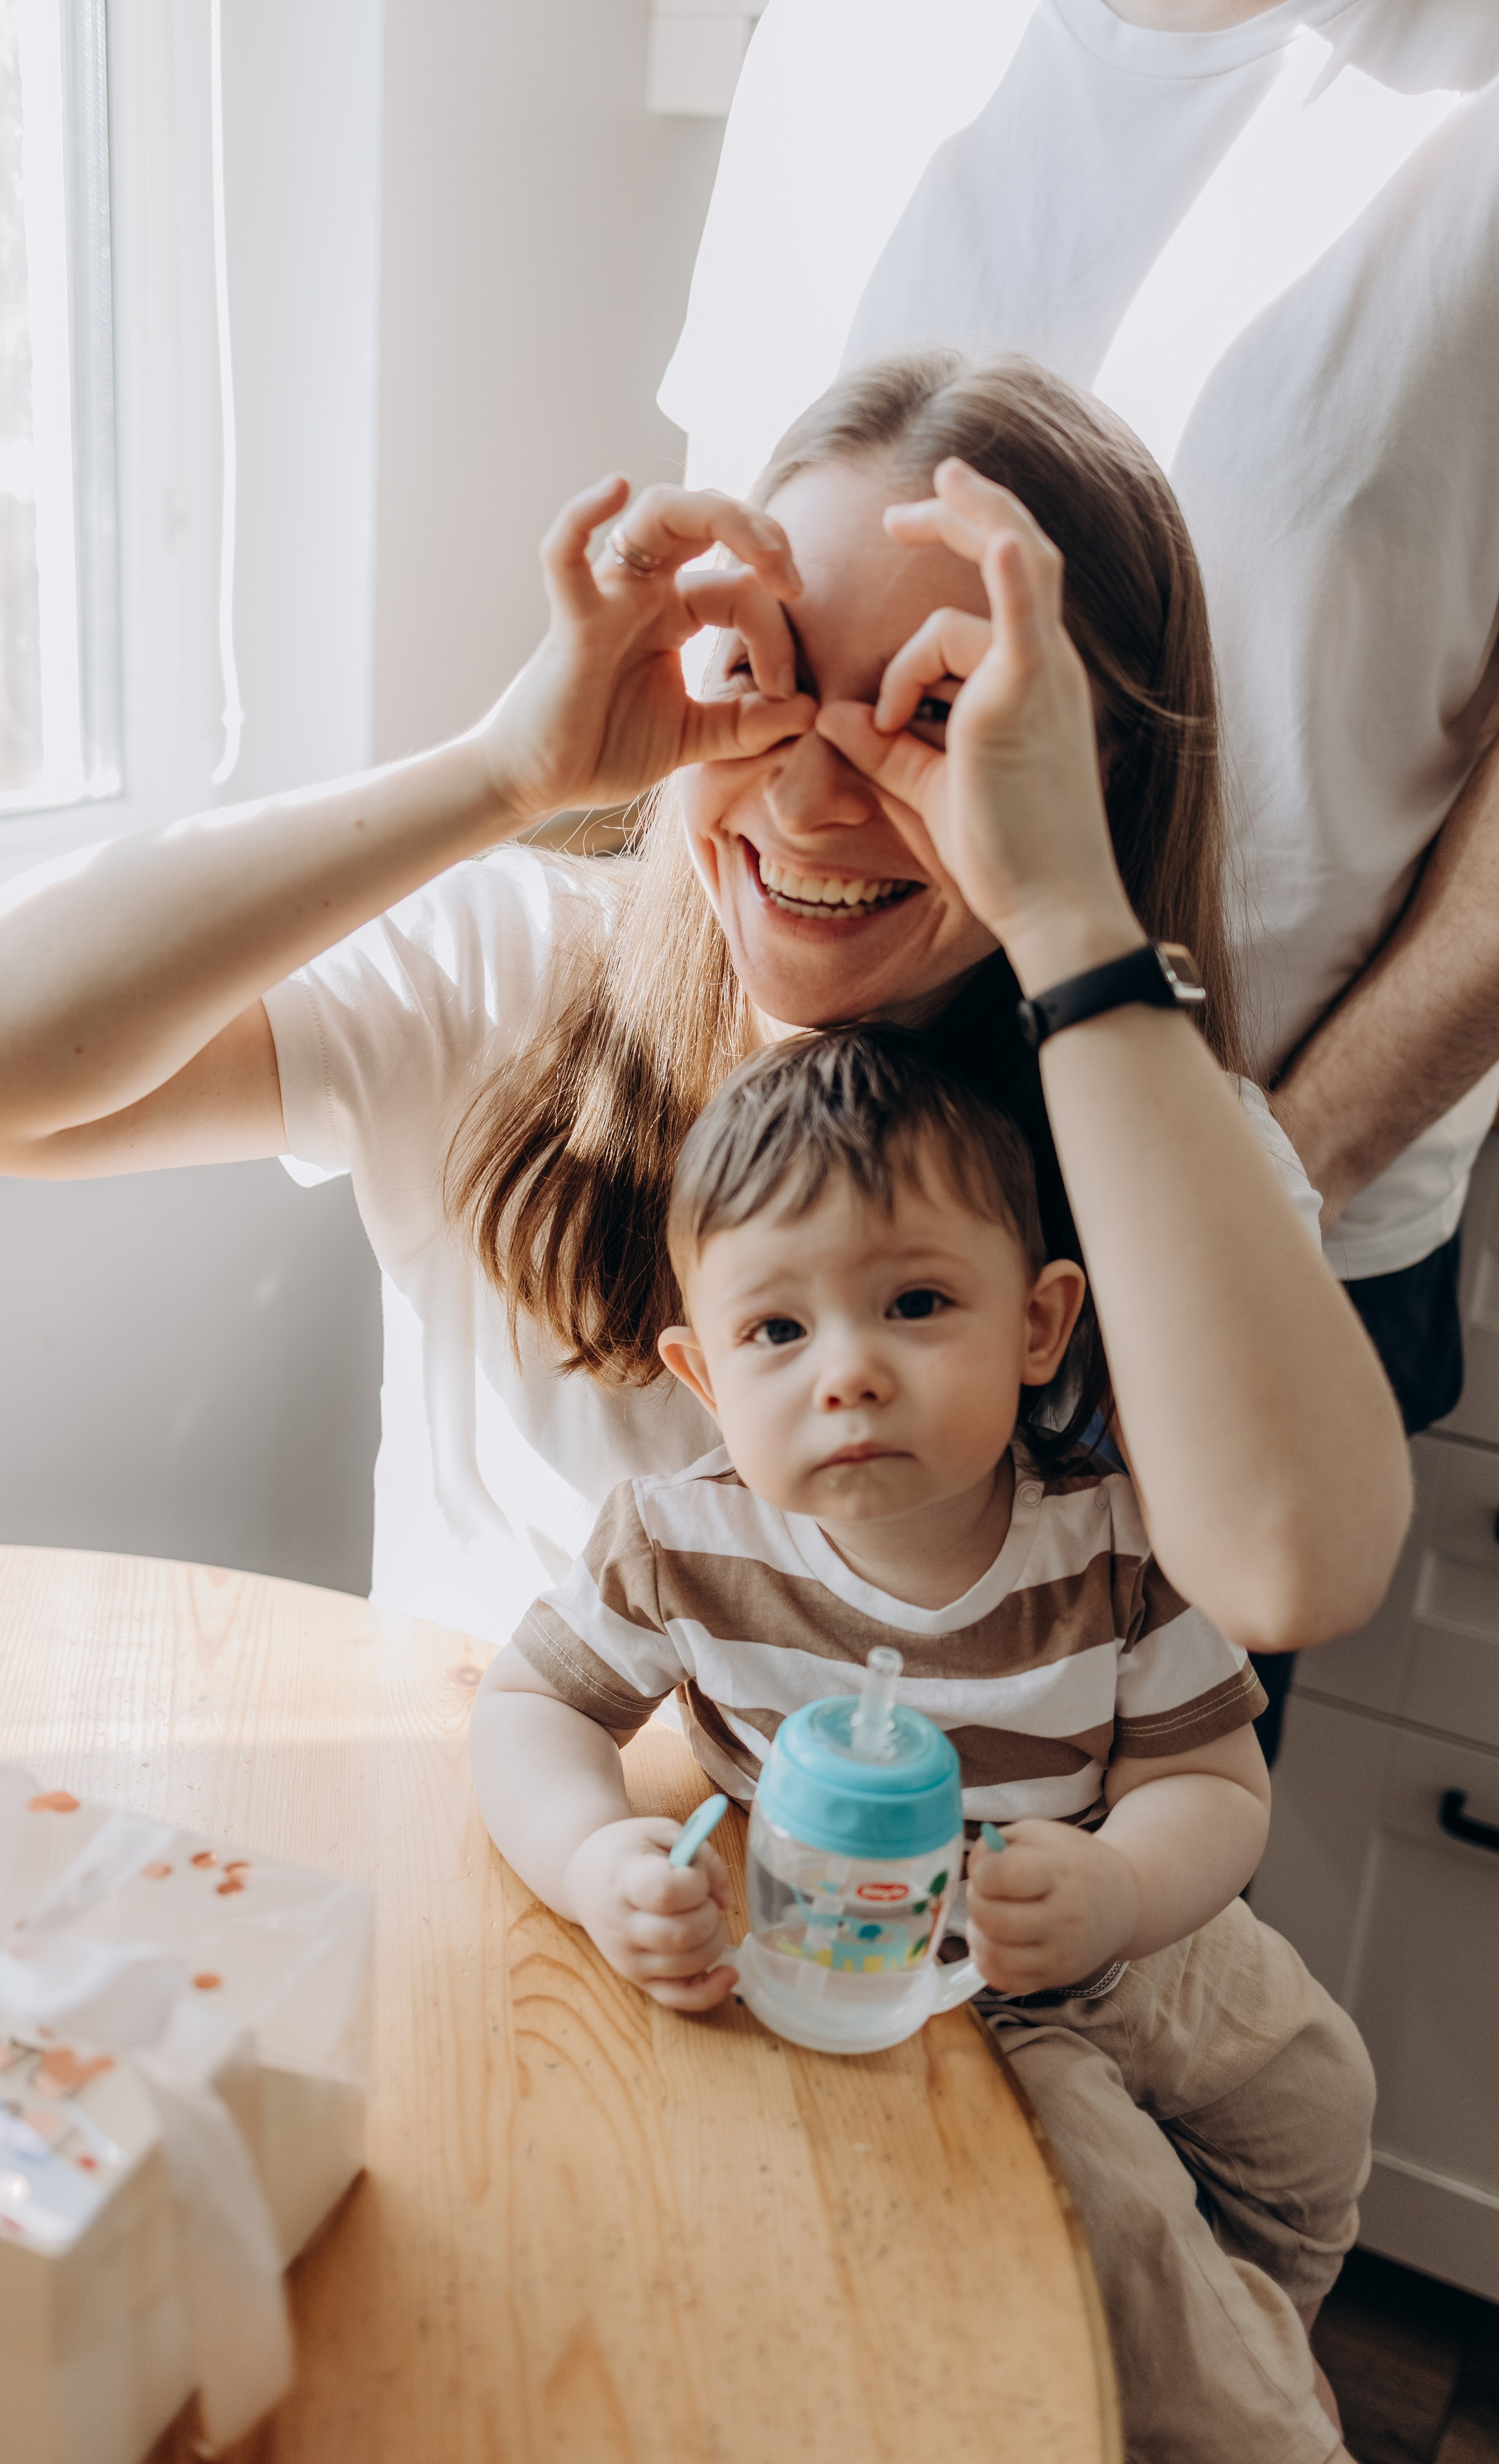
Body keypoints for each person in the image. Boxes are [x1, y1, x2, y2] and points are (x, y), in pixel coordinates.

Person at [0, 351, 1407, 1676]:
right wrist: (499, 773)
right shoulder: (515, 975)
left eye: (934, 716)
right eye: (766, 680)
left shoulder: (1156, 1138)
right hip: (497, 1905)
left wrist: (1072, 919)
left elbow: (1292, 1572)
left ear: (1093, 770)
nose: (807, 800)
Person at [661, 0, 1499, 1756]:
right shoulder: (839, 42)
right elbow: (724, 562)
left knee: (1086, 1911)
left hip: (1265, 1171)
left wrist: (1261, 1173)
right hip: (784, 1170)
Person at [471, 1023, 1370, 2464]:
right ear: (701, 1373)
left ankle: (1268, 2329)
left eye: (913, 1303)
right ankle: (1235, 2400)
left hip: (1134, 1916)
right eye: (778, 1330)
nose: (848, 1372)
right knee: (1131, 2264)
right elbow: (527, 1705)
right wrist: (590, 1856)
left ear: (1037, 1322)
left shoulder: (1116, 1535)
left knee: (1322, 2105)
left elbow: (1206, 1781)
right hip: (927, 1984)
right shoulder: (679, 1541)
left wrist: (1123, 1890)